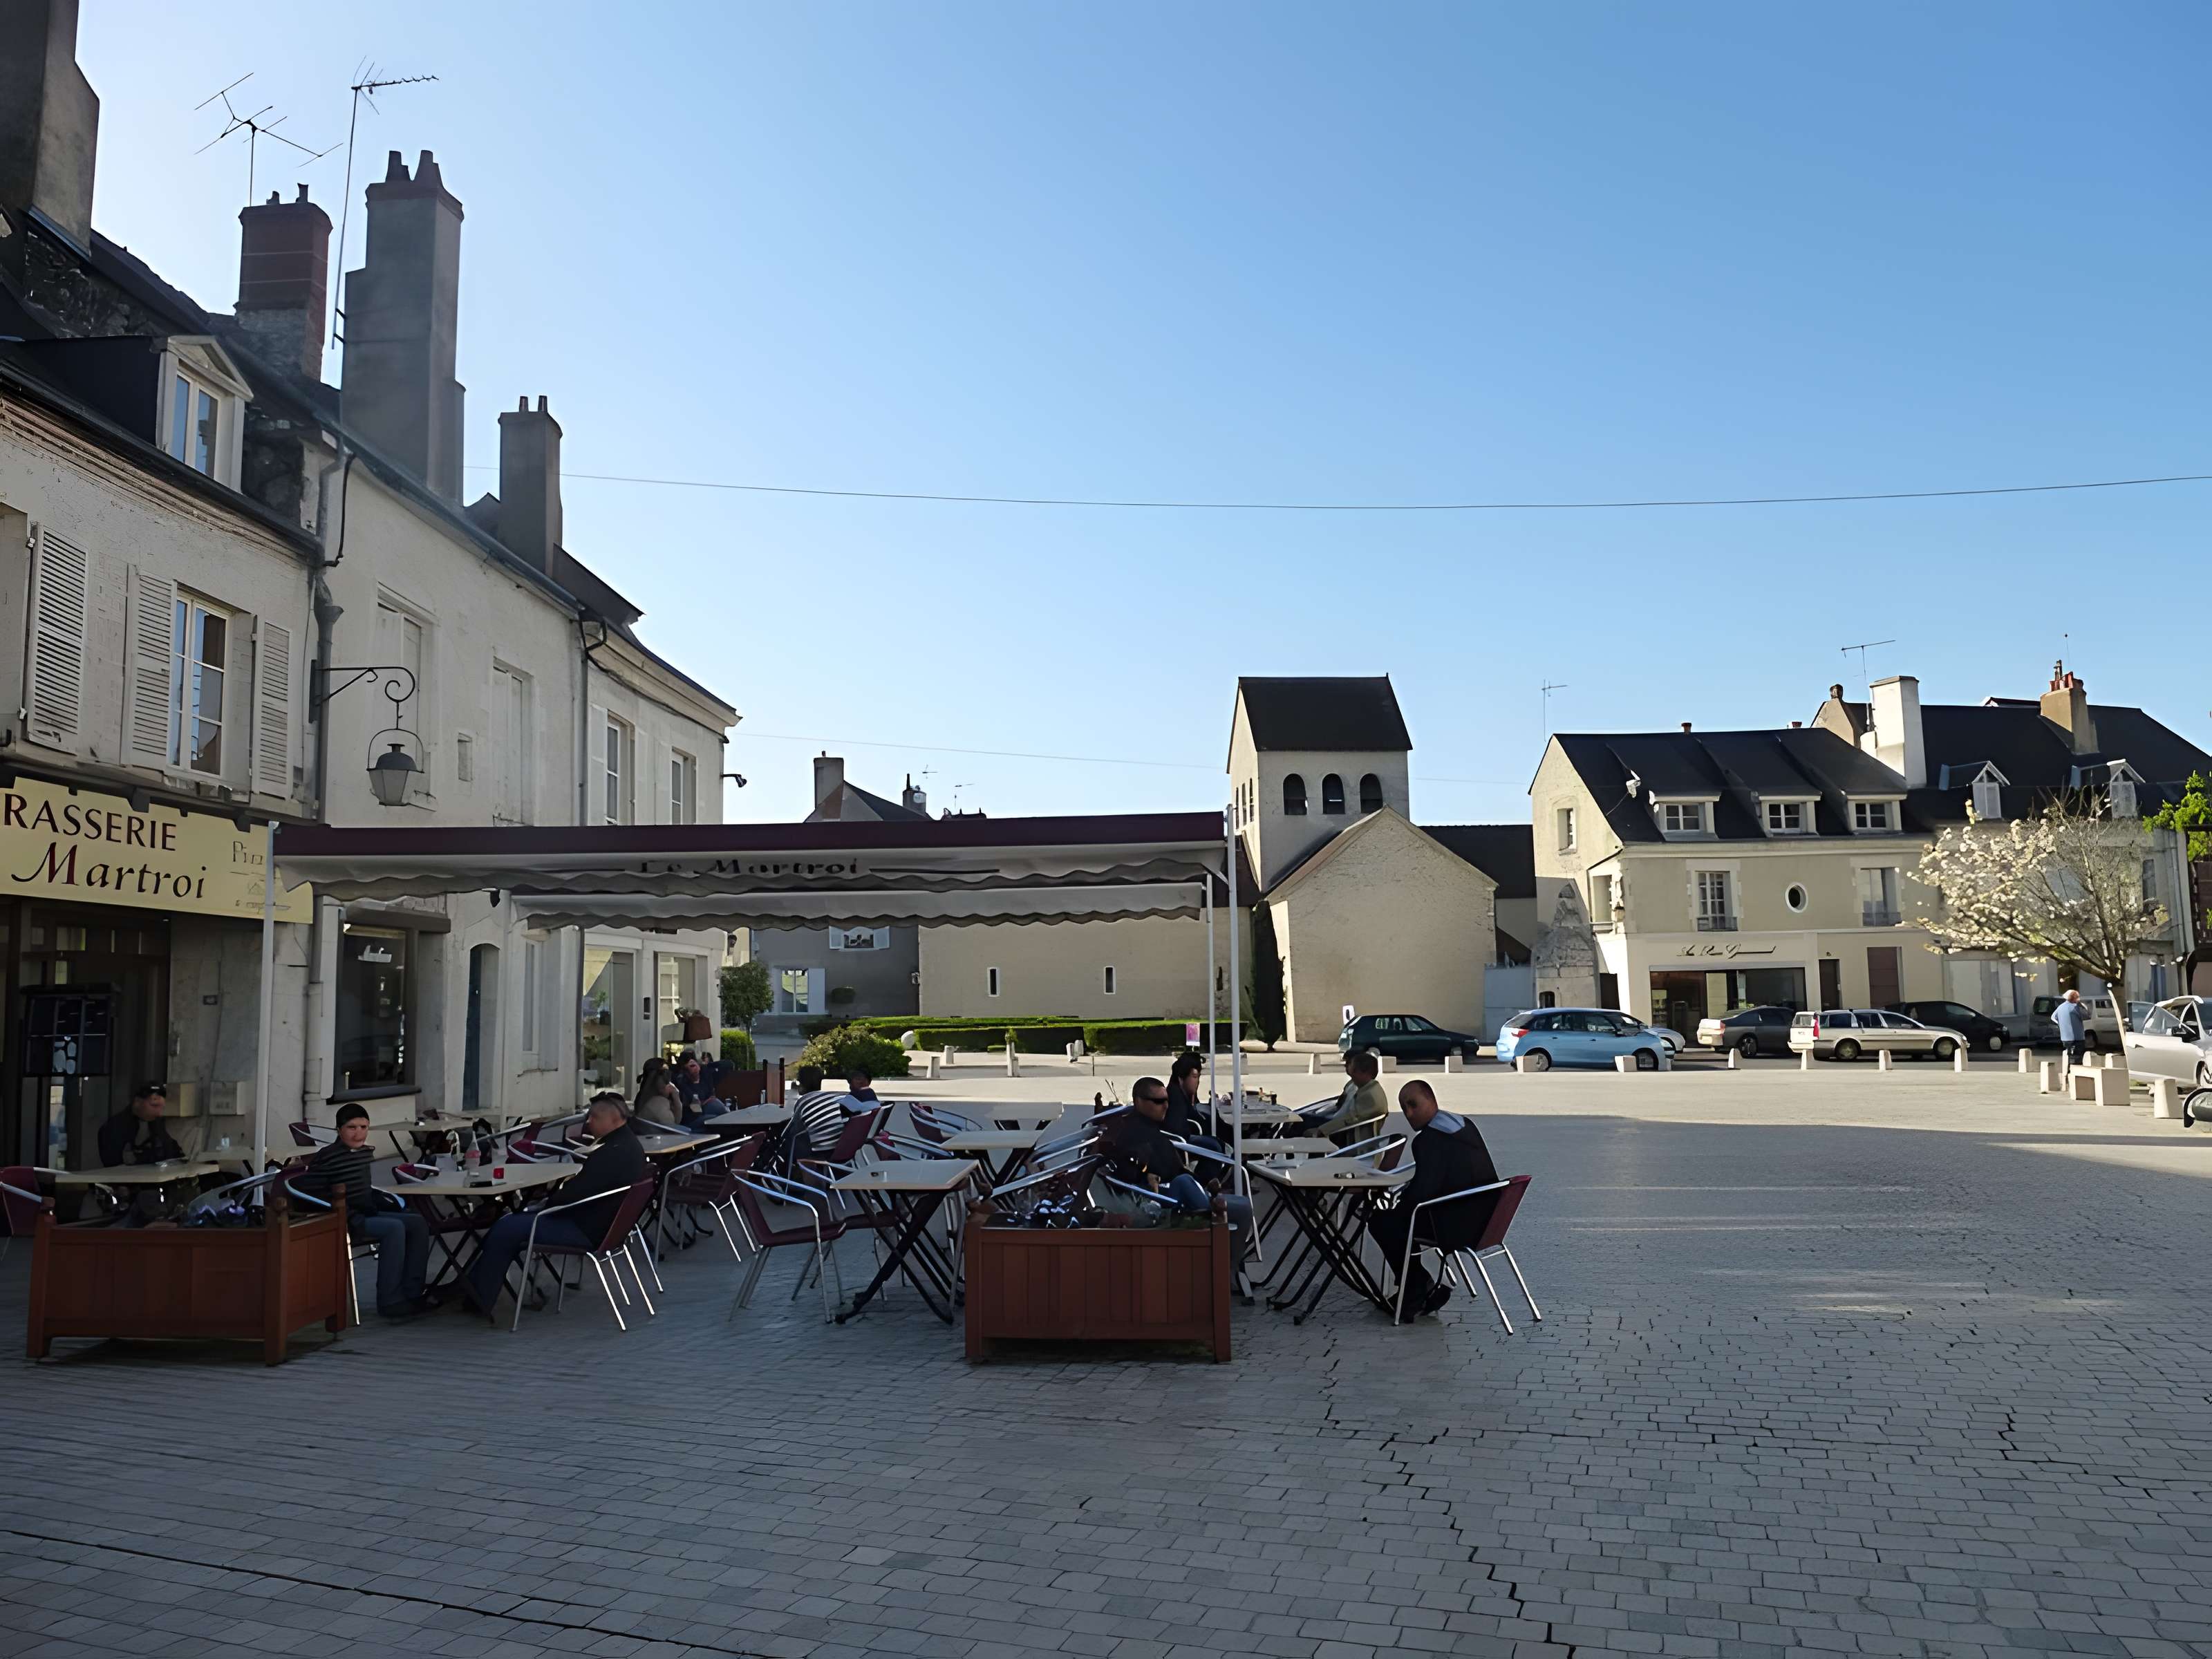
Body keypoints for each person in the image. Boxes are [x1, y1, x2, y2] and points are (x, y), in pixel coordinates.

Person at [460, 1093, 648, 1320]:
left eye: (595, 1117)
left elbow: (573, 1195)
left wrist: (545, 1205)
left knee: (506, 1228)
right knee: (513, 1225)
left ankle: (478, 1298)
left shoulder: (613, 1153)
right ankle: (474, 1290)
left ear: (616, 1120)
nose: (589, 1122)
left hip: (585, 1230)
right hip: (606, 1229)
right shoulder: (628, 1146)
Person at [1365, 1079, 1501, 1318]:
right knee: (1396, 1219)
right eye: (1404, 1107)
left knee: (1382, 1221)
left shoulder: (1429, 1140)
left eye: (1413, 1105)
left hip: (1457, 1225)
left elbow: (1423, 1193)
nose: (1409, 1113)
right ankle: (1420, 1285)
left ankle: (1415, 1288)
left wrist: (1400, 1203)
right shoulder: (1462, 1124)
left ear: (1431, 1101)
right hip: (1487, 1219)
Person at [294, 1103, 433, 1319]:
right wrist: (346, 1212)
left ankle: (413, 1292)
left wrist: (382, 1202)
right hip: (343, 1218)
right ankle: (390, 1301)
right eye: (352, 1128)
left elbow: (361, 1190)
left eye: (364, 1127)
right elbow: (311, 1193)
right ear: (339, 1130)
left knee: (417, 1223)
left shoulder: (364, 1153)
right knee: (394, 1228)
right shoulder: (328, 1157)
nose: (358, 1133)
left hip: (365, 1212)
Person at [1100, 1076, 1252, 1268]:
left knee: (1241, 1202)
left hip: (1180, 1193)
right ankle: (1227, 1270)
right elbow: (1132, 1175)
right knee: (1242, 1208)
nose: (1165, 1106)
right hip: (1173, 1203)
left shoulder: (1147, 1127)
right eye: (1158, 1101)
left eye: (1167, 1101)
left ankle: (1229, 1267)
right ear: (1139, 1101)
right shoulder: (1135, 1134)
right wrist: (1149, 1175)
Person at [1301, 1051, 1389, 1145]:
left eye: (1354, 1071)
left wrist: (1321, 1130)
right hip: (1339, 1125)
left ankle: (1292, 1154)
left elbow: (1350, 1119)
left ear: (1366, 1073)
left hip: (1345, 1135)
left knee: (1300, 1124)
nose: (1351, 1074)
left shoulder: (1370, 1095)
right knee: (1301, 1120)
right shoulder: (1365, 1087)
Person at [97, 1081, 183, 1168]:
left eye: (163, 1107)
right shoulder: (114, 1127)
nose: (159, 1113)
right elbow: (113, 1164)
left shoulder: (160, 1124)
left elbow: (172, 1153)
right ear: (137, 1102)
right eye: (154, 1105)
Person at [632, 1059, 681, 1128]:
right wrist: (676, 1097)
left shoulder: (641, 1096)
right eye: (666, 1073)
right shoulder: (658, 1103)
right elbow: (673, 1126)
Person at [2055, 989, 2089, 1069]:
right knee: (2078, 1058)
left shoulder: (2060, 1007)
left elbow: (2054, 1017)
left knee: (2069, 1056)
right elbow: (2086, 1016)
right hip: (2077, 1037)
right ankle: (2074, 1074)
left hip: (2065, 1037)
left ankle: (2068, 1071)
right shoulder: (2075, 1007)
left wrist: (2061, 1025)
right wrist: (2083, 1006)